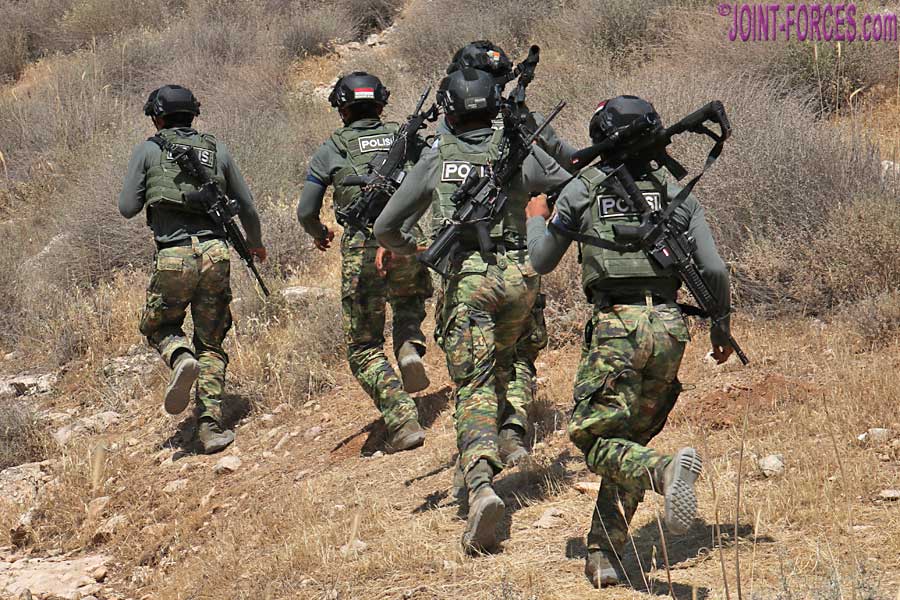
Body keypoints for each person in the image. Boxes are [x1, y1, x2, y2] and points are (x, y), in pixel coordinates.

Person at [524, 95, 733, 587]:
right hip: (670, 326)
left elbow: (540, 260)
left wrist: (536, 215)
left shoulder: (583, 189)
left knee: (593, 437)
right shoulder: (676, 191)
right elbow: (715, 269)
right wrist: (720, 325)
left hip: (617, 325)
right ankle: (604, 554)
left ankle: (662, 472)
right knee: (628, 441)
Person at [374, 68, 570, 553]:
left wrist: (414, 250)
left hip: (469, 283)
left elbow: (385, 227)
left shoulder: (437, 156)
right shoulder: (520, 151)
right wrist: (538, 223)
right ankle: (504, 442)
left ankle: (481, 485)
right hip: (522, 277)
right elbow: (571, 185)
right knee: (513, 359)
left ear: (451, 110)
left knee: (475, 385)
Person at [439, 40, 578, 464]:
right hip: (520, 258)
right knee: (519, 349)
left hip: (467, 263)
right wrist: (542, 215)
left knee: (476, 355)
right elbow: (567, 164)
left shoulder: (453, 129)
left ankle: (488, 441)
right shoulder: (520, 120)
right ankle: (513, 430)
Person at [118, 84, 266, 454]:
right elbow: (247, 206)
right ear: (193, 114)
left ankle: (180, 358)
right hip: (217, 252)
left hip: (174, 255)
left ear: (157, 117)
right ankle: (210, 427)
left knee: (159, 325)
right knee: (211, 342)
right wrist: (255, 243)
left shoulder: (148, 150)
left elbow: (127, 207)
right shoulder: (216, 150)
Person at [297, 72, 433, 453]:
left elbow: (306, 210)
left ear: (342, 109)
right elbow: (434, 177)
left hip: (361, 249)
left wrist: (319, 232)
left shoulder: (331, 148)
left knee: (363, 347)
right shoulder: (403, 138)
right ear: (381, 105)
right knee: (409, 301)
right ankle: (409, 346)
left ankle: (403, 420)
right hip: (404, 238)